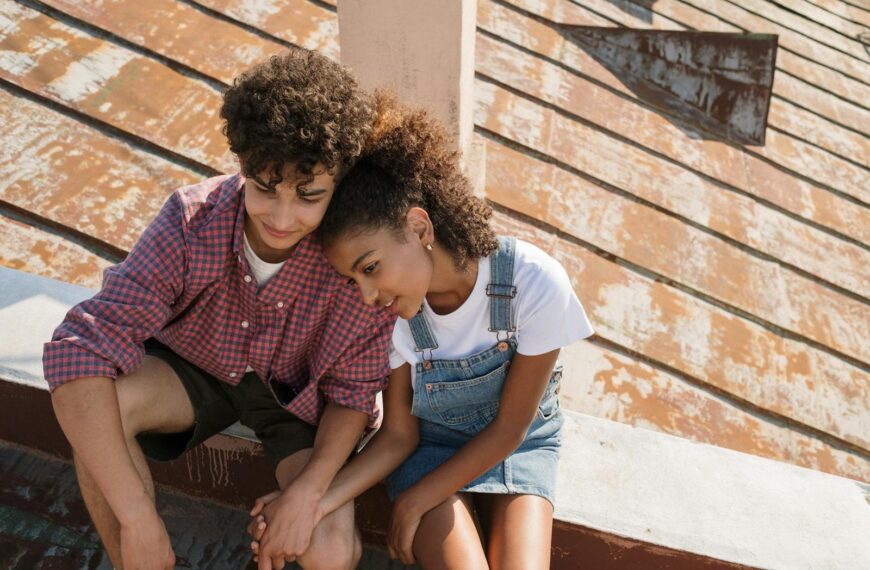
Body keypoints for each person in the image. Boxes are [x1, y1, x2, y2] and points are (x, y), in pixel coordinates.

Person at [43, 48, 395, 570]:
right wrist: (139, 519)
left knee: (329, 548)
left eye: (309, 195)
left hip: (298, 406)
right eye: (263, 187)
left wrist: (308, 495)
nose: (281, 215)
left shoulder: (358, 253)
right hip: (193, 369)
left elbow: (352, 396)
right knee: (99, 416)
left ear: (338, 181)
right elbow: (80, 352)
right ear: (242, 165)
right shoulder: (192, 219)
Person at [255, 101, 593, 568]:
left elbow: (512, 428)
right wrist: (309, 503)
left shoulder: (533, 283)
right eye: (354, 280)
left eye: (370, 268)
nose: (368, 294)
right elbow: (398, 434)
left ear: (419, 226)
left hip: (520, 445)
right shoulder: (390, 320)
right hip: (430, 452)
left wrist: (415, 503)